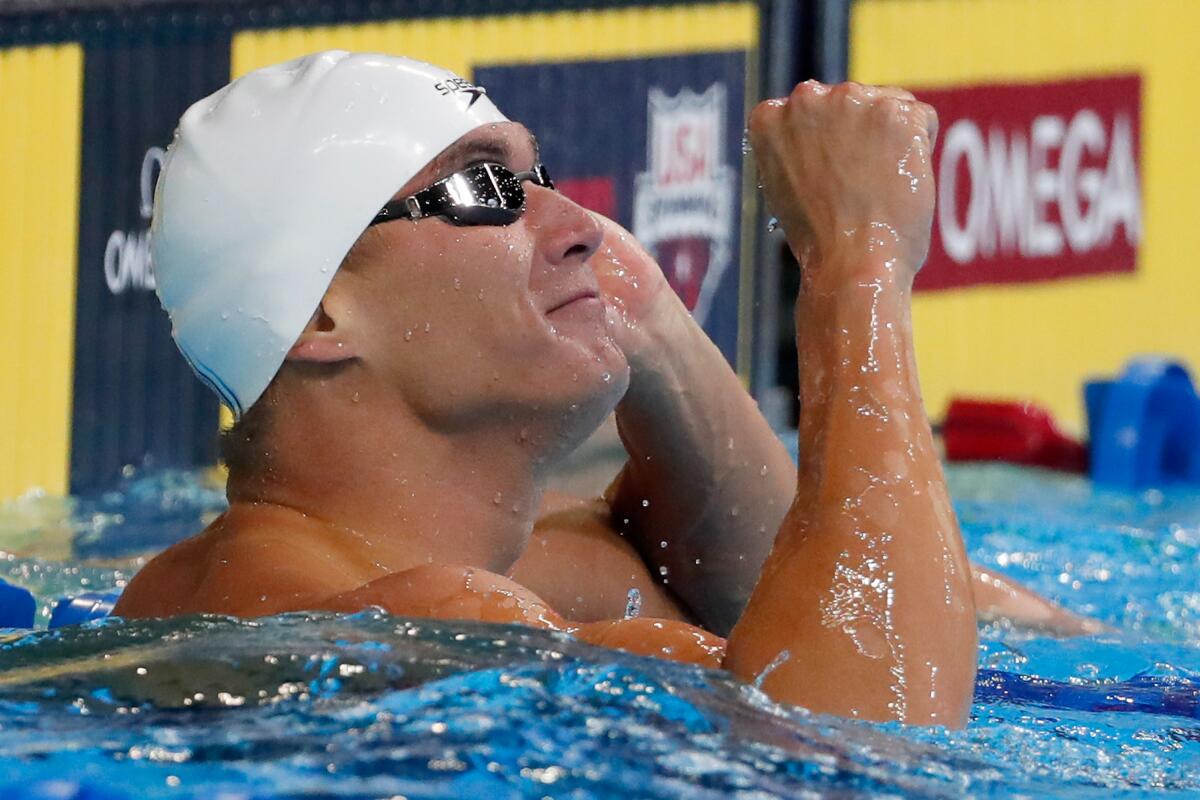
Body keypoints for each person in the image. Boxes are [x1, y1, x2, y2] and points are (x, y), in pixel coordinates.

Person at [116, 51, 1099, 728]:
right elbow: (874, 737)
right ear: (321, 317)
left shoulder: (247, 575)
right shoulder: (416, 620)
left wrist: (642, 314)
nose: (580, 217)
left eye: (541, 174)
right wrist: (858, 261)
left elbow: (746, 576)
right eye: (480, 189)